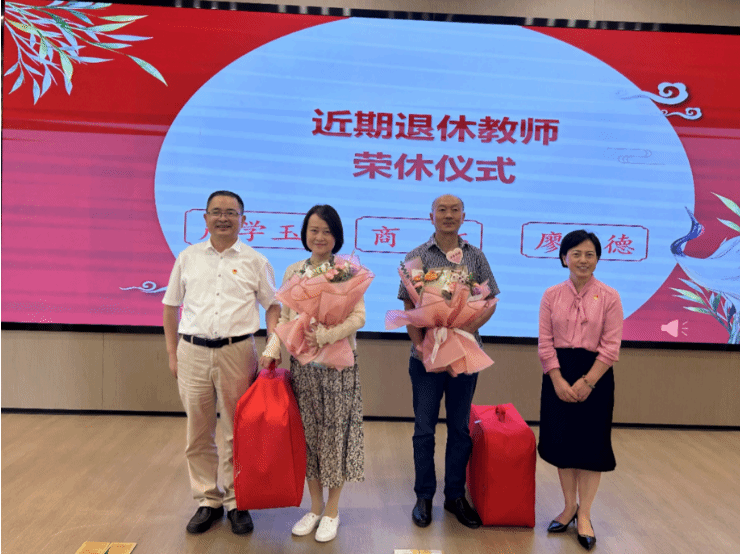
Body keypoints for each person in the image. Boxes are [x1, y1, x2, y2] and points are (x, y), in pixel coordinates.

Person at [162, 190, 281, 535]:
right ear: (205, 218)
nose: (223, 218)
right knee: (198, 431)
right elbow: (170, 306)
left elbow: (273, 306)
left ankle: (236, 500)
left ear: (243, 219)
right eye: (216, 212)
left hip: (237, 351)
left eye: (231, 212)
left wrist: (273, 345)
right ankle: (207, 500)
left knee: (236, 430)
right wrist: (172, 353)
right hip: (192, 351)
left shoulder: (256, 261)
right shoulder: (188, 257)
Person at [261, 204, 365, 543]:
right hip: (304, 369)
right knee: (308, 438)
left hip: (337, 368)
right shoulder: (294, 270)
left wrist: (326, 335)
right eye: (314, 230)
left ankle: (332, 511)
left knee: (334, 438)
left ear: (337, 236)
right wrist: (272, 348)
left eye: (327, 231)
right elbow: (285, 318)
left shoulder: (347, 271)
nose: (320, 237)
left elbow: (359, 317)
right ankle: (315, 507)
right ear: (305, 233)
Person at [399, 194, 499, 529]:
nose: (448, 215)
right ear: (431, 216)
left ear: (463, 216)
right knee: (424, 429)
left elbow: (490, 300)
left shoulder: (476, 256)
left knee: (459, 429)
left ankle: (455, 496)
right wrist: (419, 345)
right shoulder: (416, 256)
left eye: (455, 210)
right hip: (425, 356)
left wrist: (465, 330)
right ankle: (424, 496)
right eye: (442, 210)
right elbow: (408, 306)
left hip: (464, 355)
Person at [538, 229, 623, 551]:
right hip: (558, 373)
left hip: (596, 376)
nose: (583, 260)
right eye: (576, 254)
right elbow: (545, 343)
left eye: (589, 254)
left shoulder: (610, 296)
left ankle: (584, 514)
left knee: (590, 447)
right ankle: (568, 507)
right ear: (564, 258)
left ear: (597, 259)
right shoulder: (551, 295)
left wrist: (588, 382)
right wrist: (558, 380)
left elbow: (611, 347)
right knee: (563, 445)